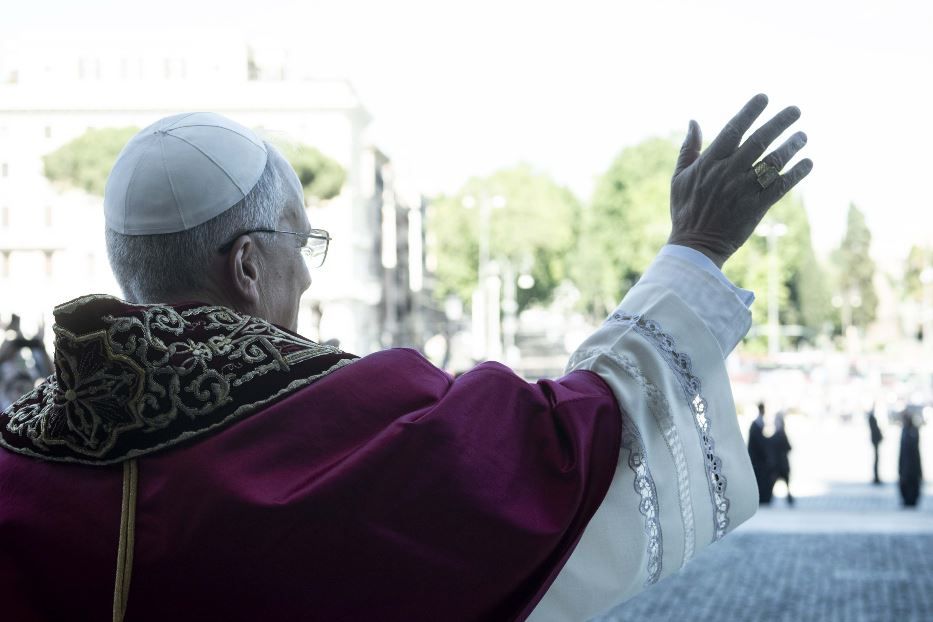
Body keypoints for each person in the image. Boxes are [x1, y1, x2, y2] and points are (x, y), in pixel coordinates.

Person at [0, 94, 811, 622]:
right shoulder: (341, 418)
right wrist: (695, 248)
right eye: (299, 242)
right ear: (247, 266)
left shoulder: (23, 452)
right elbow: (569, 450)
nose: (310, 270)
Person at [748, 402, 775, 504]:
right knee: (760, 480)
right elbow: (759, 443)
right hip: (757, 460)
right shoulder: (756, 425)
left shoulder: (757, 424)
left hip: (758, 460)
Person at [898, 410, 923, 507]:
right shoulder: (905, 431)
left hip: (912, 463)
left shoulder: (912, 431)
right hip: (905, 463)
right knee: (906, 482)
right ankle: (907, 499)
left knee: (912, 482)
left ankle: (911, 500)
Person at [769, 412, 794, 505]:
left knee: (779, 485)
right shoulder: (781, 434)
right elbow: (789, 448)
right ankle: (770, 499)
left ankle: (770, 499)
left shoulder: (779, 435)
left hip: (780, 465)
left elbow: (788, 447)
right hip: (781, 465)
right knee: (780, 485)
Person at [868, 408, 884, 484]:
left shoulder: (872, 418)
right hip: (875, 441)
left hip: (875, 441)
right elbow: (875, 430)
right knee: (876, 459)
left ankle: (876, 477)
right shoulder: (872, 419)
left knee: (876, 459)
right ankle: (876, 477)